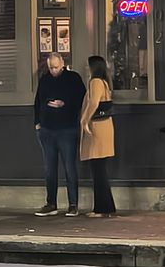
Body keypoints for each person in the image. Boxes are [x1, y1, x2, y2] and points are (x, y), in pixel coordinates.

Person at [33, 52, 86, 217]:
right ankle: (51, 203)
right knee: (50, 168)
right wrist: (37, 122)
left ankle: (73, 204)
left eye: (56, 67)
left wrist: (65, 103)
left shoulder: (73, 78)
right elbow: (38, 101)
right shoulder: (45, 79)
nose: (53, 70)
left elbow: (81, 99)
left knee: (69, 167)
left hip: (67, 128)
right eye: (51, 68)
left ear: (62, 64)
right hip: (47, 128)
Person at [79, 55, 116, 218]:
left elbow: (94, 102)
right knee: (101, 169)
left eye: (88, 66)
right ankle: (106, 207)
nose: (86, 68)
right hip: (105, 126)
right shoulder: (105, 82)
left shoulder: (95, 82)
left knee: (98, 170)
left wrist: (84, 120)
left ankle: (101, 209)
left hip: (96, 128)